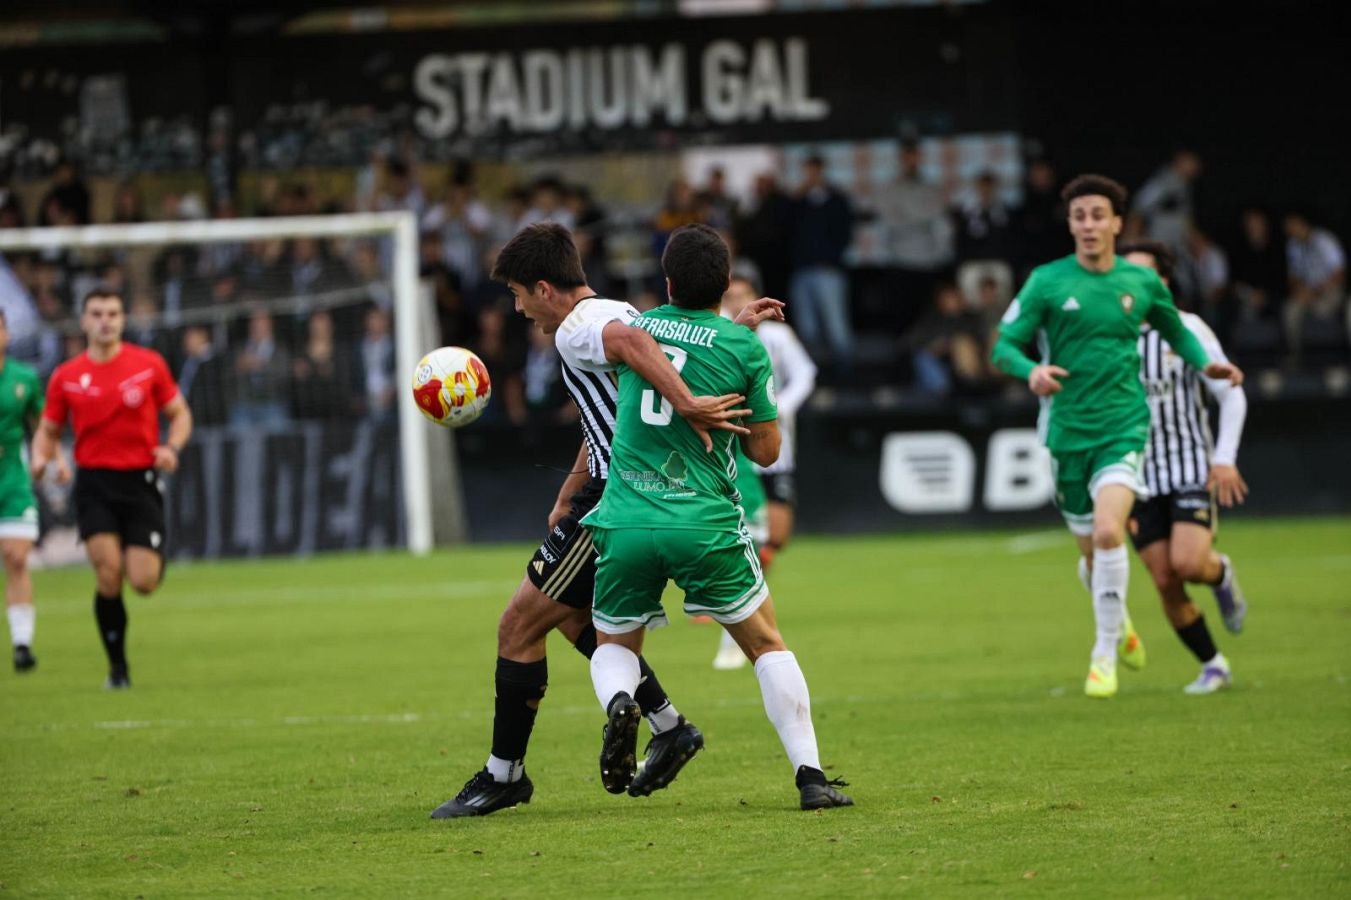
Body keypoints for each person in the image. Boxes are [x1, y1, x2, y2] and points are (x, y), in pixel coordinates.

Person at [429, 223, 777, 819]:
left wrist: (689, 401)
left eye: (518, 294)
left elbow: (628, 345)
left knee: (518, 627)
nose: (518, 309)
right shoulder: (614, 309)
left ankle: (503, 775)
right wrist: (569, 487)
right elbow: (629, 394)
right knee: (572, 622)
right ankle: (669, 726)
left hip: (616, 500)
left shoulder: (582, 326)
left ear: (544, 288)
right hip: (607, 489)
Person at [585, 223, 852, 810]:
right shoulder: (745, 348)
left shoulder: (638, 331)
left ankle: (621, 705)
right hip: (702, 524)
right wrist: (740, 359)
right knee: (767, 646)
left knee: (615, 645)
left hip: (627, 518)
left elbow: (671, 345)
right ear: (727, 283)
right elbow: (764, 451)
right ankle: (811, 777)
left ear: (667, 280)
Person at [991, 174, 1243, 699]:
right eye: (1079, 216)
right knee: (1093, 556)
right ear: (1070, 223)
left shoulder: (1141, 282)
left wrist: (1208, 365)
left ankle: (1102, 653)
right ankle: (1119, 622)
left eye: (1098, 215)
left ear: (1117, 223)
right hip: (1066, 435)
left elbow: (1176, 332)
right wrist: (1030, 371)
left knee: (1110, 534)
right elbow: (1003, 346)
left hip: (1125, 429)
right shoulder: (1046, 282)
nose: (1088, 225)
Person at [30, 289, 193, 689]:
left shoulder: (148, 364)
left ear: (122, 319)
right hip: (94, 483)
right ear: (84, 321)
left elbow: (180, 413)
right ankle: (117, 669)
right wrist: (42, 458)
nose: (106, 320)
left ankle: (152, 555)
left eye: (113, 313)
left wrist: (171, 448)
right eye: (97, 313)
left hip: (140, 481)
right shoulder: (66, 376)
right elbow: (48, 431)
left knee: (143, 582)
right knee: (107, 574)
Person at [1118, 240, 1249, 694]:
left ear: (1163, 281)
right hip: (1134, 476)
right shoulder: (1107, 333)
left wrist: (1224, 459)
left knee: (1190, 564)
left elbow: (1230, 392)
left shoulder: (1187, 328)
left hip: (1189, 466)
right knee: (1164, 579)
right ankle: (1213, 664)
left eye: (1141, 274)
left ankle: (1220, 573)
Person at [1, 311, 66, 672]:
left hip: (11, 478)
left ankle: (22, 643)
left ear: (6, 334)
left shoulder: (23, 379)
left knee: (16, 557)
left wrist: (55, 459)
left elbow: (44, 424)